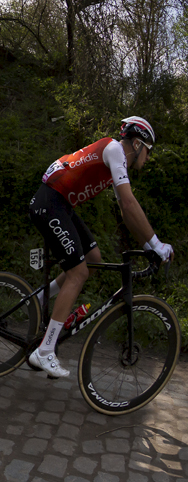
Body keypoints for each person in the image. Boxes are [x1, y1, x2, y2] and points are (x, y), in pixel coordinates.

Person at [28, 116, 173, 378]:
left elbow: (126, 211)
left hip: (61, 205)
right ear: (138, 144)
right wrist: (157, 244)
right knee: (78, 272)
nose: (148, 158)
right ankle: (45, 351)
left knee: (93, 259)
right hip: (50, 203)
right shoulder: (116, 150)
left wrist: (148, 245)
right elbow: (129, 204)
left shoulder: (117, 161)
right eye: (148, 152)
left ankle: (40, 299)